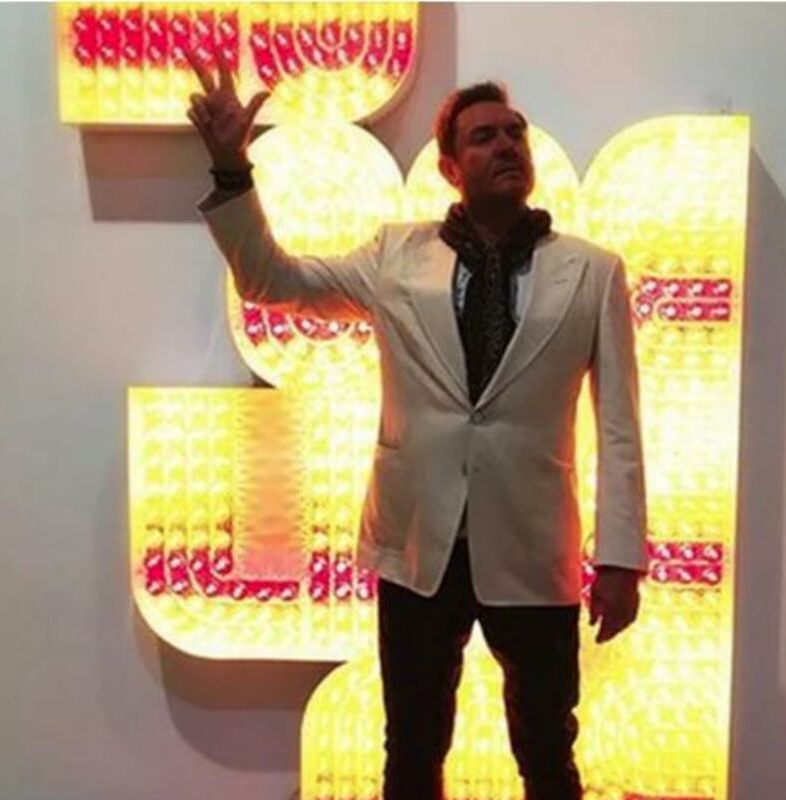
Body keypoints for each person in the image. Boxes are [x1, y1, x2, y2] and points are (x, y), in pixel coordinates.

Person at [186, 48, 647, 800]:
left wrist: (622, 557)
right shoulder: (395, 257)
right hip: (416, 544)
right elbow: (272, 279)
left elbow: (620, 424)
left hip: (534, 547)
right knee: (411, 750)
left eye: (515, 132)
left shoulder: (592, 271)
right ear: (449, 168)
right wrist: (232, 170)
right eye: (484, 136)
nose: (506, 145)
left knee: (547, 752)